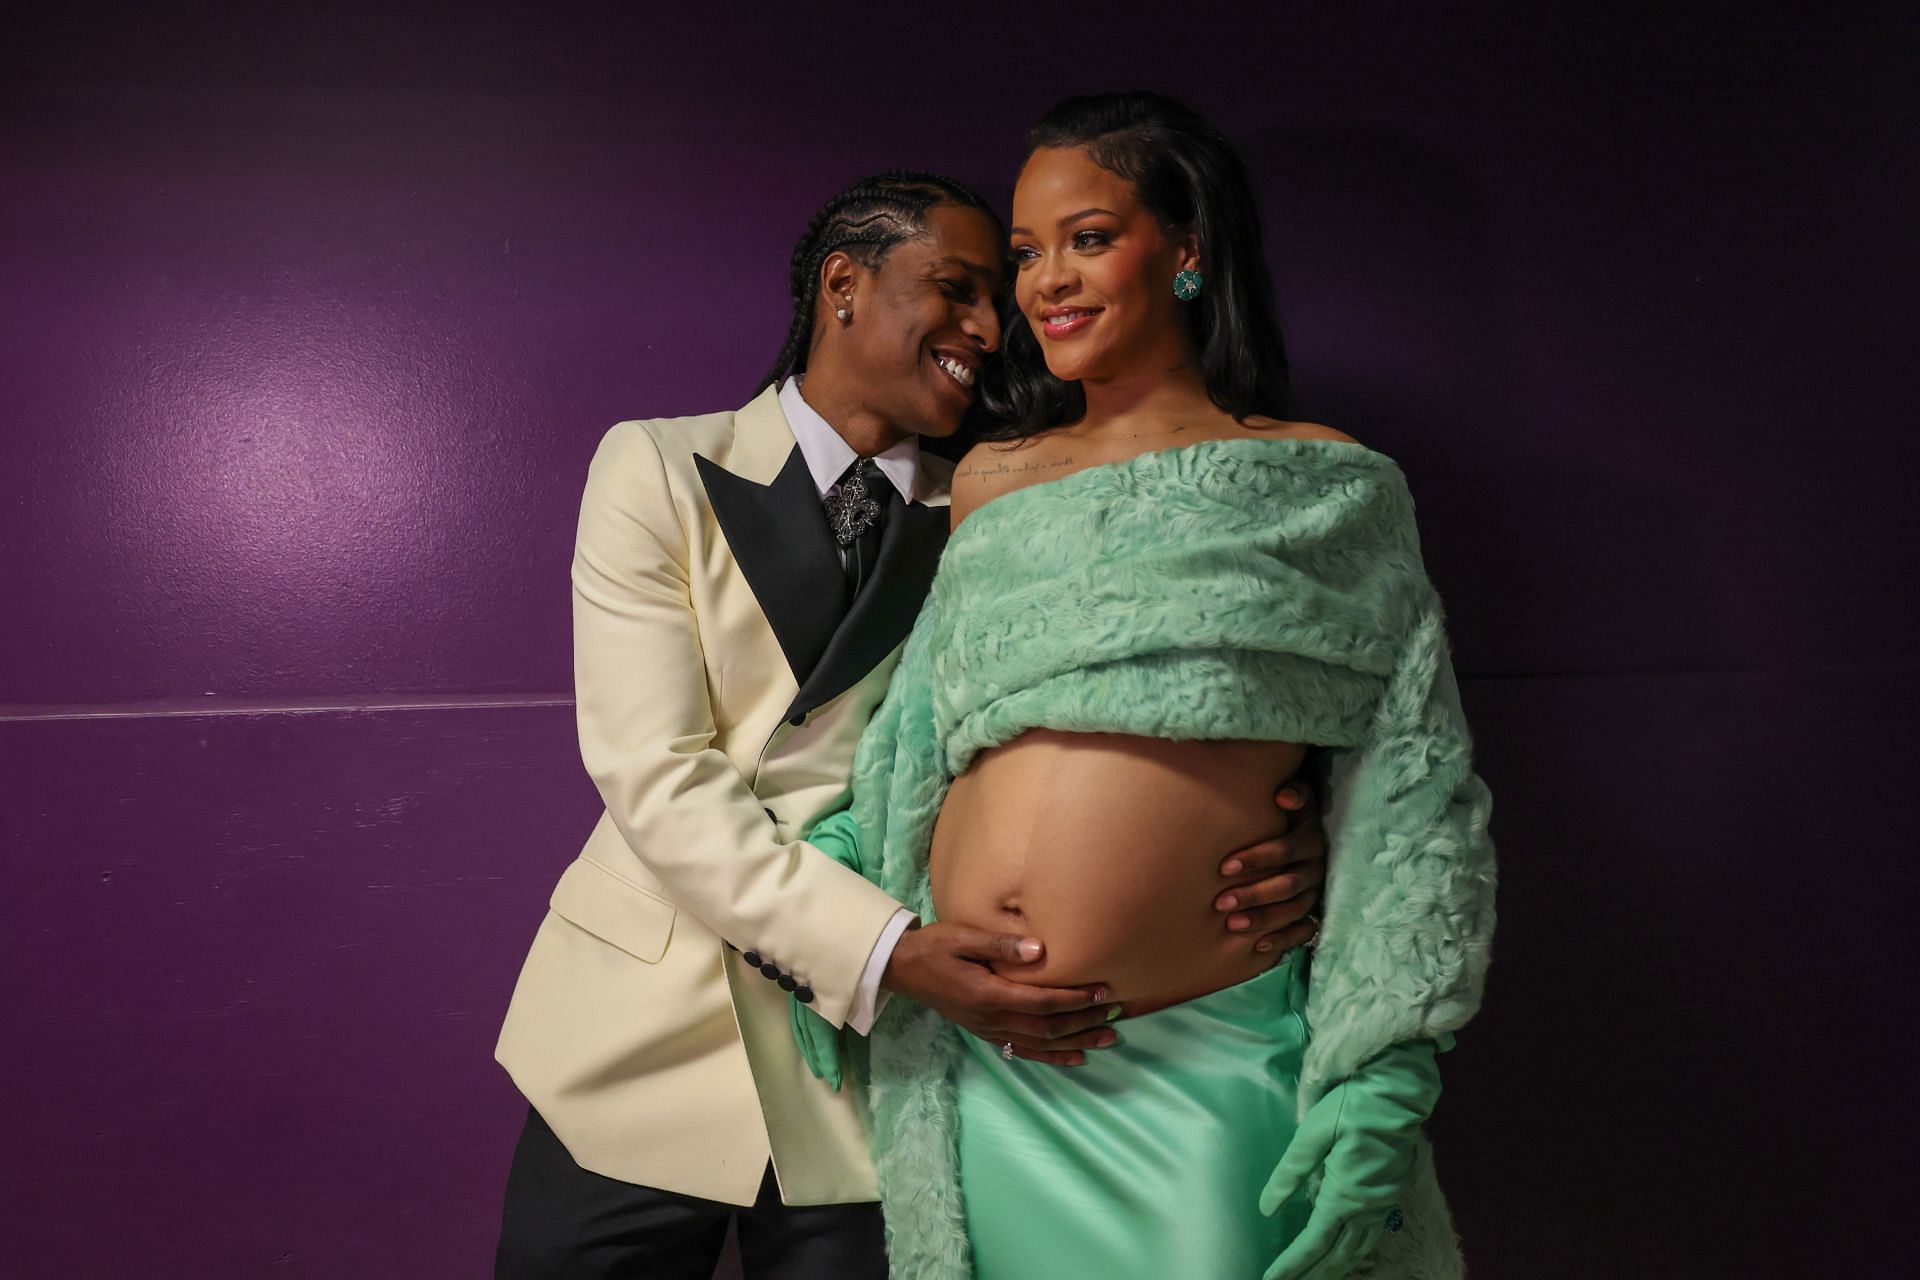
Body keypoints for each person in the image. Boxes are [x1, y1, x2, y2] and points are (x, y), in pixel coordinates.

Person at [491, 170, 1332, 1279]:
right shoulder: (656, 467)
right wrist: (888, 951)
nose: (993, 326)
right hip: (640, 1037)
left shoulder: (1002, 505)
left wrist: (1297, 828)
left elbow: (1134, 706)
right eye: (958, 288)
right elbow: (655, 774)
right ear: (844, 283)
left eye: (1001, 294)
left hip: (874, 1077)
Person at [815, 95, 1496, 1280]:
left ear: (1186, 248)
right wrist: (854, 910)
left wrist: (1385, 1075)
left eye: (1087, 237)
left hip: (1202, 1060)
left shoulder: (1326, 483)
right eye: (1026, 253)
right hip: (997, 1068)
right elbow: (916, 739)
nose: (1044, 284)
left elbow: (1413, 786)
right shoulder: (990, 478)